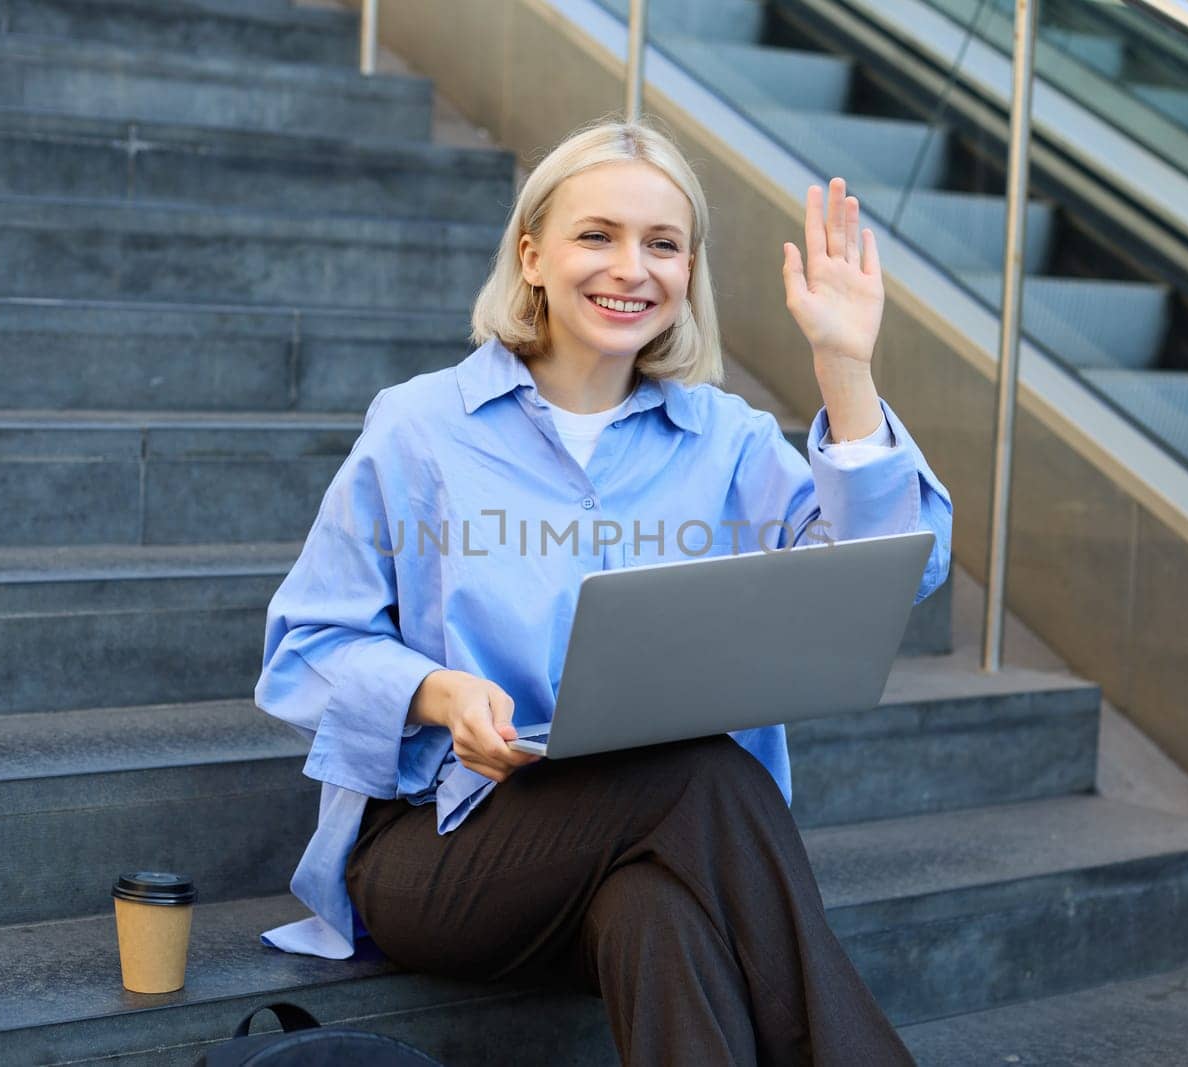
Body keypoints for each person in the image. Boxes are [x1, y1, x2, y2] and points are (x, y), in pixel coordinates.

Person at [255, 116, 951, 1066]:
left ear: (689, 269)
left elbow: (890, 567)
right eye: (599, 235)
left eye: (663, 244)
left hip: (660, 854)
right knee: (705, 772)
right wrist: (439, 693)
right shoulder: (420, 428)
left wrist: (845, 366)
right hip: (447, 850)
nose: (633, 268)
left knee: (659, 915)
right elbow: (306, 647)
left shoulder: (727, 439)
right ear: (533, 254)